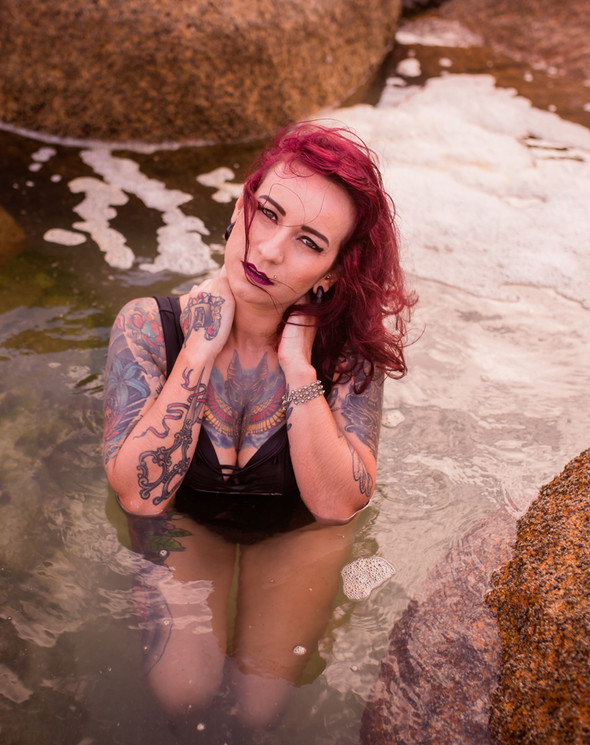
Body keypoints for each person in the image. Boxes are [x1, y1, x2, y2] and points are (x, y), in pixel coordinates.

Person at [102, 122, 415, 732]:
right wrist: (199, 347)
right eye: (267, 213)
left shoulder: (348, 357)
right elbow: (139, 497)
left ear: (329, 273)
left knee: (258, 710)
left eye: (308, 242)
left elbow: (338, 506)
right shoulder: (147, 327)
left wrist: (299, 364)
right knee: (184, 695)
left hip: (296, 532)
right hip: (189, 522)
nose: (269, 250)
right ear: (238, 208)